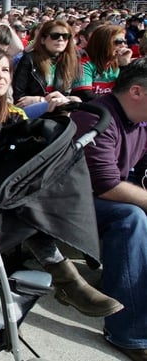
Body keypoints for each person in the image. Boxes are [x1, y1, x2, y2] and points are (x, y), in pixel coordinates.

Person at [0, 46, 123, 319]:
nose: (0, 76)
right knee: (20, 202)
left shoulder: (16, 116)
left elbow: (32, 164)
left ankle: (64, 277)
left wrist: (57, 117)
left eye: (5, 70)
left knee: (33, 195)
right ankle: (66, 278)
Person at [72, 58, 147, 361]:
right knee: (132, 218)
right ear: (137, 92)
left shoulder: (140, 121)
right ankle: (128, 332)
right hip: (69, 202)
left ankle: (126, 285)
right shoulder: (95, 117)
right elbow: (105, 185)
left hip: (99, 196)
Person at [12, 20, 82, 115]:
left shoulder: (72, 60)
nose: (60, 39)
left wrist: (41, 99)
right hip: (30, 111)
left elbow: (74, 95)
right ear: (43, 39)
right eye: (55, 36)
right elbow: (19, 97)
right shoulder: (29, 59)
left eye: (65, 36)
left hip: (59, 107)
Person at [71, 24, 133, 102]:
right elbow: (85, 95)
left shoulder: (117, 62)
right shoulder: (84, 64)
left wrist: (124, 65)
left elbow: (129, 90)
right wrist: (119, 101)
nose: (123, 45)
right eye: (118, 42)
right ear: (103, 43)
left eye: (124, 42)